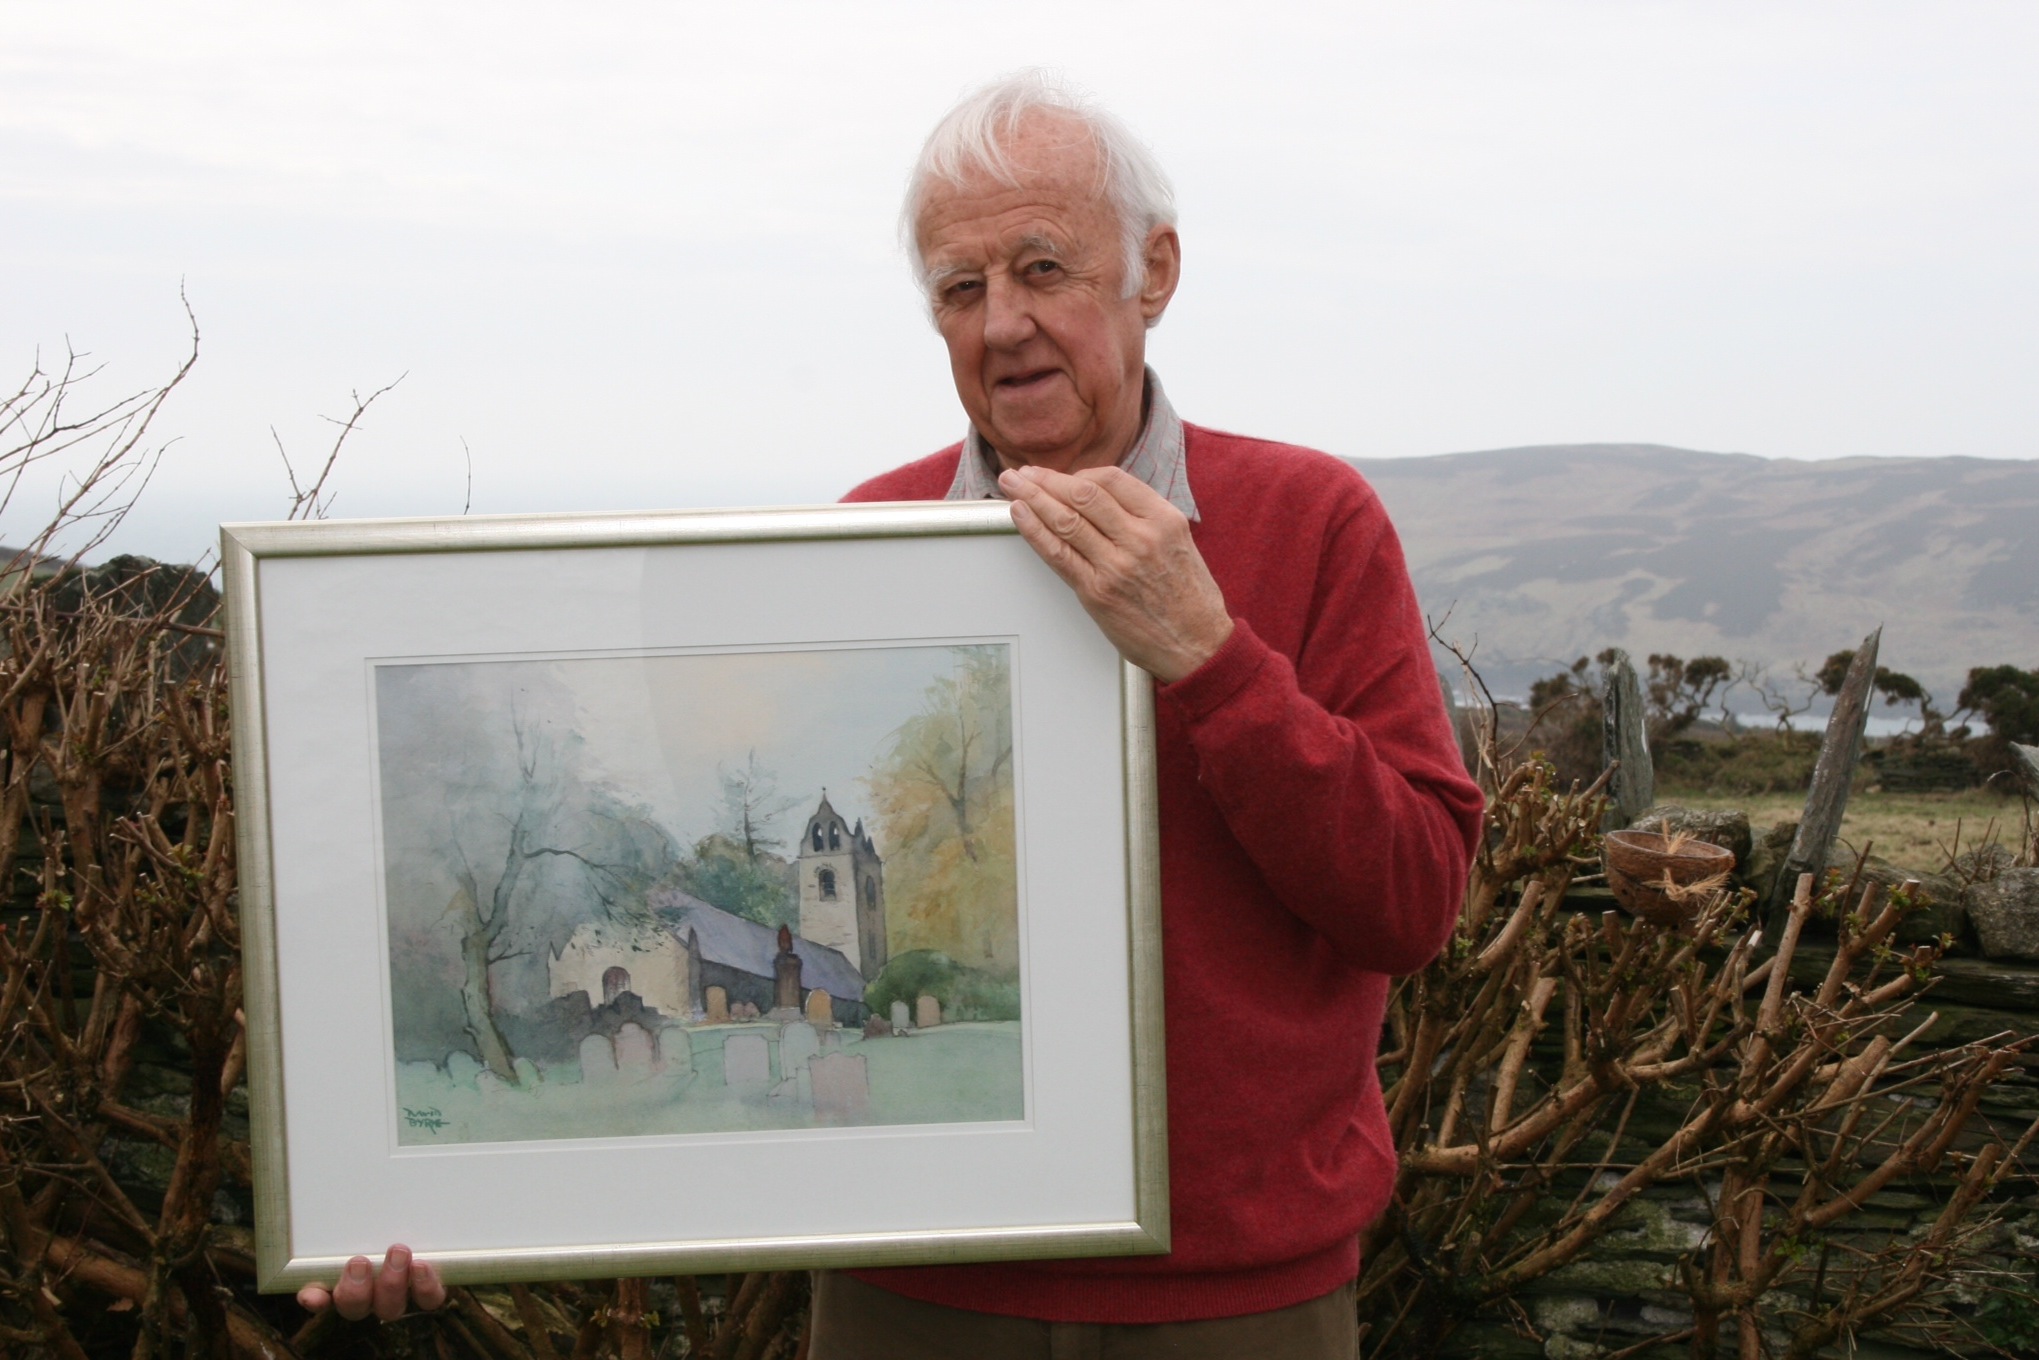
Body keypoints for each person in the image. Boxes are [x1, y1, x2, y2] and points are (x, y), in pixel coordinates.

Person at [302, 72, 1483, 1357]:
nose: (1003, 323)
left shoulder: (1312, 523)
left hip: (1237, 1301)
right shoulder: (870, 543)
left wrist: (1210, 658)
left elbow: (1411, 902)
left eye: (1042, 268)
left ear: (1153, 272)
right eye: (959, 289)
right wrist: (436, 1202)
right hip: (913, 1295)